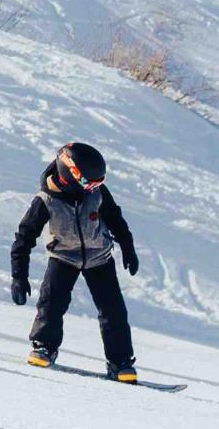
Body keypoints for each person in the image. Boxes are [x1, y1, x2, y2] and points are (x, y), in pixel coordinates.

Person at [10, 142, 142, 383]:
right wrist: (18, 276)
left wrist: (128, 248)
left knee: (113, 311)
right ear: (71, 175)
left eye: (98, 183)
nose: (94, 188)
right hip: (63, 257)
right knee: (51, 304)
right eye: (90, 183)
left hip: (99, 257)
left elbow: (116, 219)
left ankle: (120, 362)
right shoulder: (45, 200)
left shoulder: (98, 194)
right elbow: (24, 237)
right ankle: (44, 347)